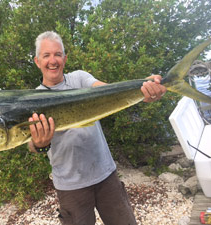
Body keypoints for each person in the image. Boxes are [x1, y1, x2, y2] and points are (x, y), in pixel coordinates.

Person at [28, 31, 166, 225]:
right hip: (70, 186)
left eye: (58, 54)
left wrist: (143, 87)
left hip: (105, 176)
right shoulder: (32, 100)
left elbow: (109, 91)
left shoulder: (79, 79)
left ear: (65, 58)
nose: (53, 60)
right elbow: (31, 145)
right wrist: (40, 144)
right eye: (46, 55)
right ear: (37, 61)